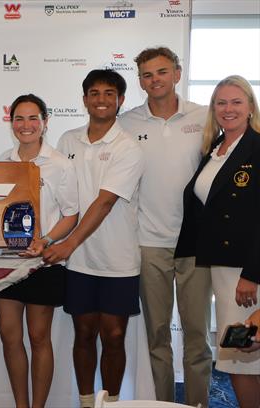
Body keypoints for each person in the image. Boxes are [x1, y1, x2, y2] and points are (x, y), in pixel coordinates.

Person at [44, 69, 145, 407]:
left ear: (121, 100)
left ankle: (112, 403)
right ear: (84, 99)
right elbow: (59, 201)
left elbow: (104, 202)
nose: (101, 100)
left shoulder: (128, 146)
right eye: (94, 93)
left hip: (117, 259)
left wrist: (68, 243)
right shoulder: (68, 141)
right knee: (83, 334)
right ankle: (87, 403)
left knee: (114, 336)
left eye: (109, 94)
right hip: (78, 263)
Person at [118, 46, 211, 406]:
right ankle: (162, 403)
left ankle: (198, 403)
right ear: (140, 80)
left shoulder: (204, 117)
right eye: (146, 74)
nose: (154, 80)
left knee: (197, 337)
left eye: (161, 72)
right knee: (157, 337)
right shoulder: (127, 123)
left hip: (196, 245)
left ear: (177, 73)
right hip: (148, 244)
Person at [175, 75, 260, 408]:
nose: (228, 109)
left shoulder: (257, 147)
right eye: (221, 103)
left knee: (246, 352)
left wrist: (252, 274)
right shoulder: (216, 149)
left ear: (250, 107)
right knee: (237, 356)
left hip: (247, 273)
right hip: (224, 271)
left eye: (236, 102)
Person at [0, 94, 79, 408]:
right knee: (9, 336)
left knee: (39, 337)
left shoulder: (59, 164)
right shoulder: (3, 161)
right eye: (19, 119)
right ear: (11, 122)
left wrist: (46, 241)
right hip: (6, 263)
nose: (25, 126)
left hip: (44, 263)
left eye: (33, 119)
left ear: (45, 122)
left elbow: (71, 214)